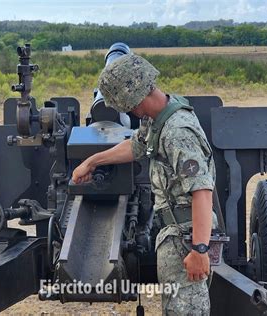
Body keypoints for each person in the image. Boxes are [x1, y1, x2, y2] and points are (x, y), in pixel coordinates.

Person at [72, 54, 216, 315]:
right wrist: (92, 162)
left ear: (134, 98)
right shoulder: (159, 120)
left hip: (186, 238)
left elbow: (202, 192)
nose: (128, 111)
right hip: (176, 235)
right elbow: (136, 146)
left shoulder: (177, 132)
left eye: (127, 105)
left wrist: (199, 249)